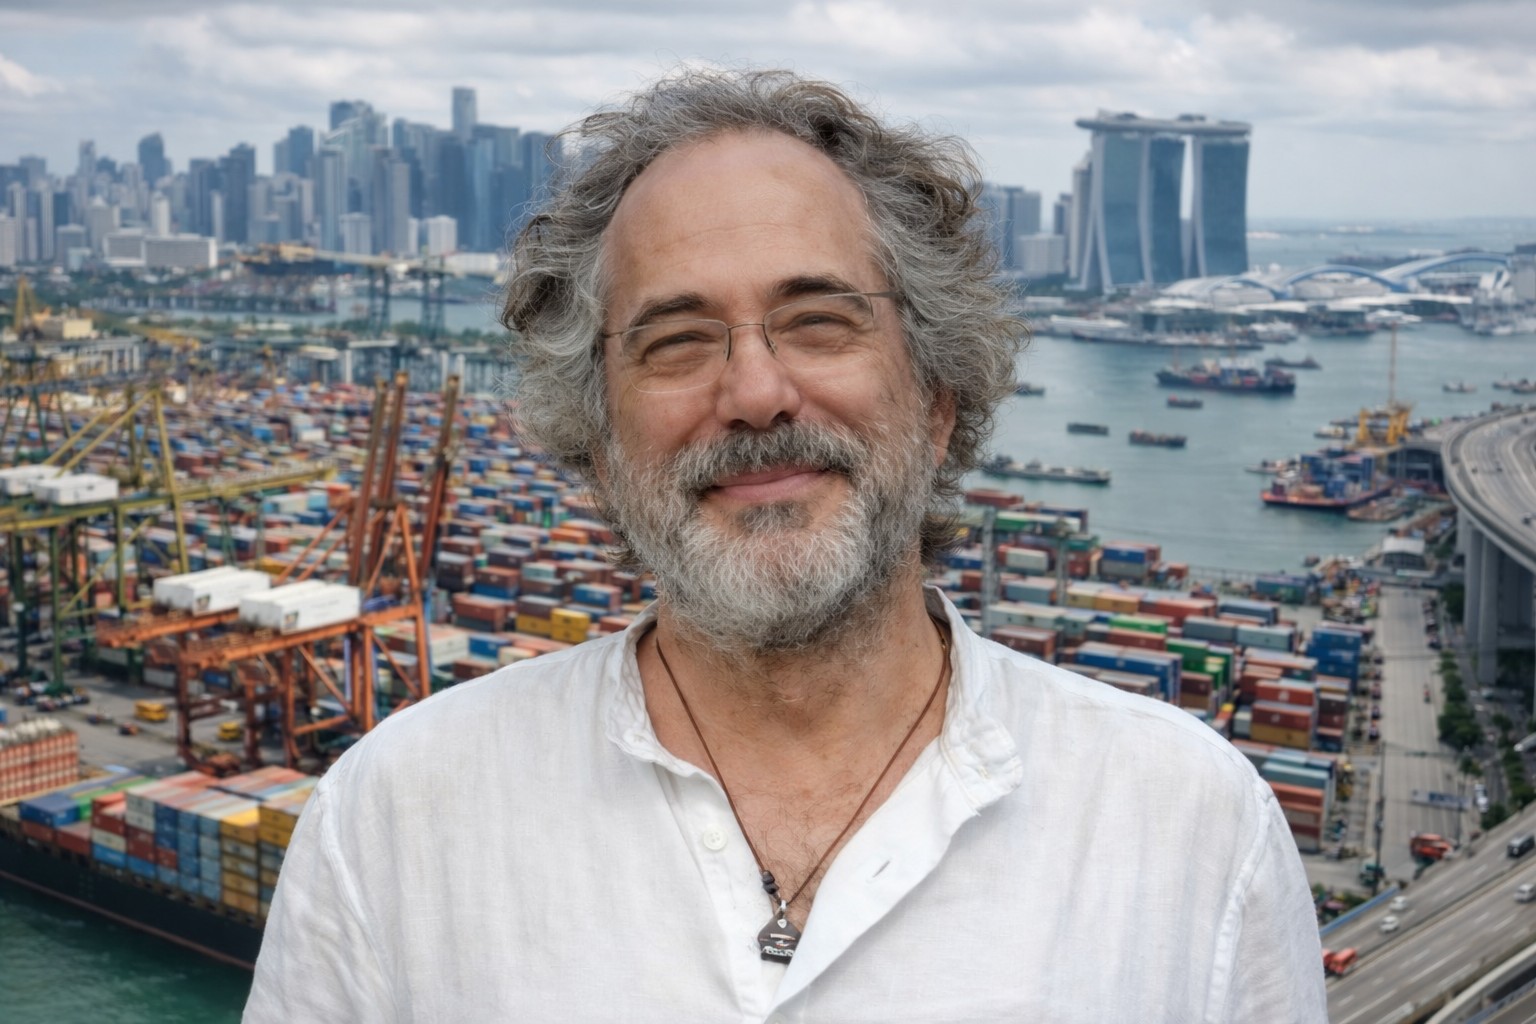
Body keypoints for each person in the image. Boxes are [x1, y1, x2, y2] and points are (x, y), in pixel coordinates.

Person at [245, 68, 1326, 1022]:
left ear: (938, 398)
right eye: (677, 342)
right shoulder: (393, 820)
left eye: (819, 322)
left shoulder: (1193, 826)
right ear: (599, 447)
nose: (756, 392)